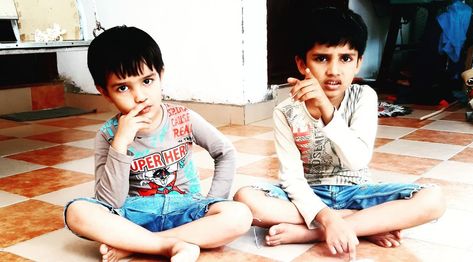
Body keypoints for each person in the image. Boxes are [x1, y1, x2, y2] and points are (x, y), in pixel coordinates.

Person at [233, 7, 446, 260]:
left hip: (356, 191)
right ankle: (364, 225)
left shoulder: (364, 97)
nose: (334, 70)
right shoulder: (286, 111)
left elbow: (357, 160)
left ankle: (313, 233)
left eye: (345, 58)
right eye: (322, 58)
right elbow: (291, 178)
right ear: (302, 64)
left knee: (433, 199)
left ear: (358, 63)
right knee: (245, 199)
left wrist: (327, 111)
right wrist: (327, 216)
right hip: (308, 195)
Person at [64, 25, 252, 262]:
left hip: (186, 209)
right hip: (135, 215)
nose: (140, 96)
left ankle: (138, 245)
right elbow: (108, 203)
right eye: (123, 87)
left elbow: (225, 152)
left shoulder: (183, 118)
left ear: (161, 75)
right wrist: (120, 144)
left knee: (239, 215)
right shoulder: (107, 135)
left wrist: (211, 201)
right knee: (77, 212)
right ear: (104, 92)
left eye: (147, 81)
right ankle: (170, 245)